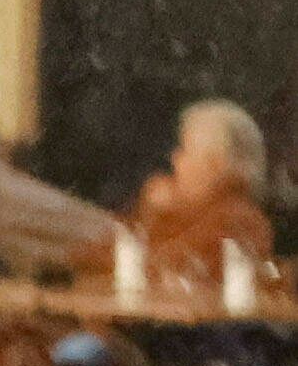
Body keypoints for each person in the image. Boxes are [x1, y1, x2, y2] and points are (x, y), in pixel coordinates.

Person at [93, 99, 278, 288]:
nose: (175, 160)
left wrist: (154, 214)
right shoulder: (188, 211)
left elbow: (154, 270)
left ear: (216, 166)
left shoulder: (238, 219)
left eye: (184, 150)